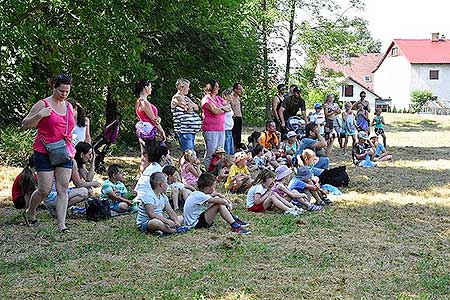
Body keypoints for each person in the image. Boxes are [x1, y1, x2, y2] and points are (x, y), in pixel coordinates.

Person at [21, 74, 76, 231]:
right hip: (44, 151)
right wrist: (39, 115)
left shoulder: (69, 106)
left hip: (63, 150)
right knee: (44, 189)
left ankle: (61, 224)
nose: (64, 94)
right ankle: (30, 211)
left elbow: (69, 126)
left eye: (67, 91)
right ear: (53, 87)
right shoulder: (42, 104)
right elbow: (24, 124)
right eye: (61, 91)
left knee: (63, 187)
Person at [183, 172, 251, 234]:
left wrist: (228, 201)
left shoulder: (198, 193)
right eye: (214, 186)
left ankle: (234, 219)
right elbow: (222, 201)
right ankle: (235, 226)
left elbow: (216, 194)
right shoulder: (201, 196)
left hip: (196, 220)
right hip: (195, 224)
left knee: (216, 199)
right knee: (219, 204)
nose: (215, 188)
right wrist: (228, 203)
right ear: (207, 189)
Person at [135, 80, 166, 174]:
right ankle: (147, 175)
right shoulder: (144, 102)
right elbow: (154, 120)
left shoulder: (138, 101)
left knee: (144, 154)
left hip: (142, 130)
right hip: (149, 132)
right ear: (145, 87)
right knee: (150, 155)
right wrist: (162, 131)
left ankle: (143, 175)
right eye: (150, 86)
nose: (151, 88)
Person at [201, 80, 230, 167]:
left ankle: (218, 171)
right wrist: (222, 109)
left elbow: (228, 107)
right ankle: (209, 171)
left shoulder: (218, 98)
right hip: (210, 129)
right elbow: (215, 111)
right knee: (211, 152)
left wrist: (220, 108)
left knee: (220, 152)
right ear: (211, 88)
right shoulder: (206, 99)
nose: (218, 88)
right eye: (216, 87)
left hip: (221, 128)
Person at [171, 78, 202, 152]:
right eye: (187, 87)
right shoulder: (177, 97)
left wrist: (191, 105)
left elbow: (197, 107)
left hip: (190, 129)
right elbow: (188, 109)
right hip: (183, 130)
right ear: (182, 87)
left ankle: (185, 164)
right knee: (189, 153)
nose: (189, 89)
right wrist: (190, 106)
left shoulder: (186, 98)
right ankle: (186, 164)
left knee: (188, 153)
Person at [230, 82, 243, 151]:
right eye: (239, 89)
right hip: (233, 119)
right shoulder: (230, 97)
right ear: (235, 89)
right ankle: (233, 149)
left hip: (239, 118)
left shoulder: (238, 98)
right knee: (233, 135)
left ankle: (238, 148)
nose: (241, 91)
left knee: (238, 135)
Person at [222, 88, 235, 154]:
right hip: (225, 129)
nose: (232, 96)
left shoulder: (229, 105)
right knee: (227, 149)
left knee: (230, 148)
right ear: (226, 96)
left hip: (229, 129)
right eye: (231, 95)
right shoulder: (223, 104)